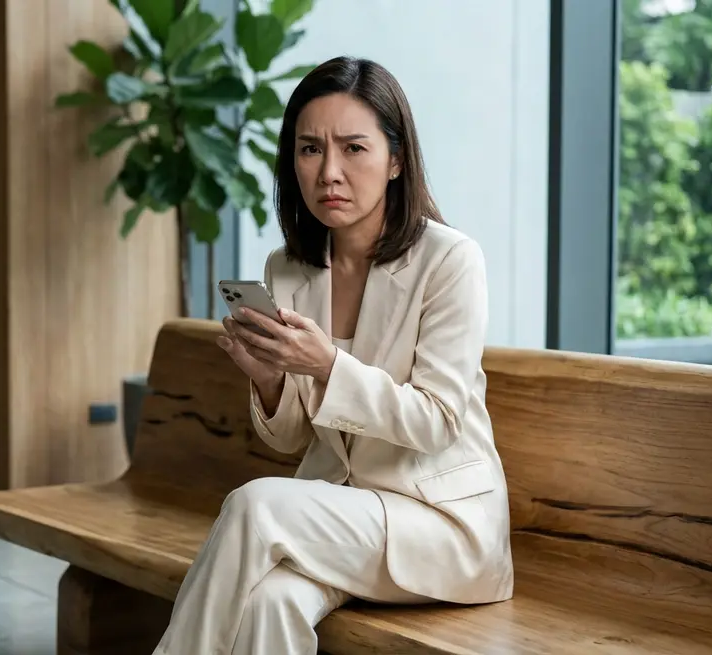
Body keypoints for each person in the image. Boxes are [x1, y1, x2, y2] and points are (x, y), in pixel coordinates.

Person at [152, 56, 515, 655]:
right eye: (310, 150)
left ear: (396, 160)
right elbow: (296, 439)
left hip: (440, 528)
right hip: (342, 519)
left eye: (354, 149)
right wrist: (271, 380)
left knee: (255, 505)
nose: (330, 173)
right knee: (270, 603)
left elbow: (438, 421)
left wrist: (326, 366)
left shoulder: (450, 261)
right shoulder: (288, 269)